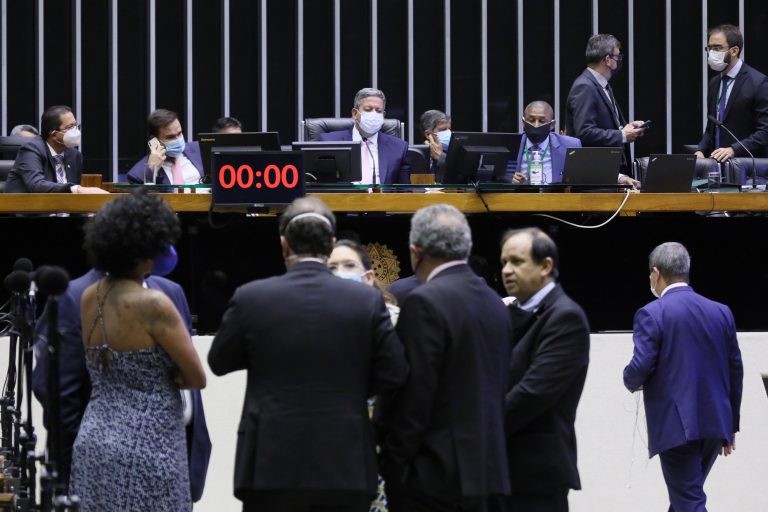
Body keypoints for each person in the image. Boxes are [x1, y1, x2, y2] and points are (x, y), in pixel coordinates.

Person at [208, 197, 408, 512]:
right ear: (330, 245)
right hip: (346, 462)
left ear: (284, 245)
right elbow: (394, 373)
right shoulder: (365, 301)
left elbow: (218, 363)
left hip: (269, 465)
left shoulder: (252, 298)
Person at [68, 190, 207, 511]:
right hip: (149, 442)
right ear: (146, 249)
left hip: (94, 439)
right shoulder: (154, 303)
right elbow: (196, 377)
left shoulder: (90, 296)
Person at [33, 265, 212, 501]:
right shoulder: (75, 295)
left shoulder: (171, 290)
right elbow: (58, 393)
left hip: (172, 452)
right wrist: (72, 467)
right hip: (106, 464)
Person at [379, 204, 512, 512]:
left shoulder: (424, 302)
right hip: (489, 472)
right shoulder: (494, 303)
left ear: (415, 252)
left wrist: (393, 464)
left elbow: (414, 399)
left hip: (434, 478)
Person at [623, 242, 743, 512]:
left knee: (689, 501)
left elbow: (640, 367)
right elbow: (736, 370)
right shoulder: (722, 312)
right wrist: (731, 425)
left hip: (677, 426)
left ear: (655, 273)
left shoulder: (652, 313)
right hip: (715, 422)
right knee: (686, 498)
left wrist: (628, 379)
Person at [492, 227, 590, 512]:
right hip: (504, 471)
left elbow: (532, 394)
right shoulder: (511, 312)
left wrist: (476, 426)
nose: (507, 271)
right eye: (504, 262)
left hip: (536, 477)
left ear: (546, 265)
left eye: (517, 261)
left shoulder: (565, 317)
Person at [566, 34, 645, 186]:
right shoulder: (585, 87)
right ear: (608, 60)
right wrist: (622, 135)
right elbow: (585, 132)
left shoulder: (602, 85)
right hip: (593, 177)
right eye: (618, 57)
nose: (620, 61)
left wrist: (626, 129)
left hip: (608, 172)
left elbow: (603, 125)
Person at [695, 24, 768, 163]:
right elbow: (711, 128)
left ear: (734, 51)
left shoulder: (759, 83)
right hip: (716, 166)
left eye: (717, 48)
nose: (711, 53)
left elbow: (765, 132)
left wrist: (734, 149)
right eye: (709, 48)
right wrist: (700, 149)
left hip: (748, 168)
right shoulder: (714, 83)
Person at [4, 105, 108, 193]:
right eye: (70, 127)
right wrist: (76, 189)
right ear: (54, 135)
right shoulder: (31, 150)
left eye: (76, 126)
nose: (75, 131)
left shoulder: (75, 155)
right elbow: (36, 185)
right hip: (33, 214)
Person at [319, 87, 411, 184]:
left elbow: (404, 191)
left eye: (378, 111)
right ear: (355, 113)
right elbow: (323, 186)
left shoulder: (399, 148)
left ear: (383, 116)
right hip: (343, 198)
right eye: (368, 109)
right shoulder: (329, 142)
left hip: (383, 198)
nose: (374, 114)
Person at [508, 101, 582, 184]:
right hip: (519, 196)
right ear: (523, 122)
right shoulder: (510, 144)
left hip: (554, 196)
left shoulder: (570, 145)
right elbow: (498, 178)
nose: (536, 125)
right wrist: (511, 181)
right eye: (531, 120)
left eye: (542, 121)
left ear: (552, 125)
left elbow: (577, 182)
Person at [328, 239, 400, 324]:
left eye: (350, 265)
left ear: (368, 278)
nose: (339, 272)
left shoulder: (391, 318)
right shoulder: (318, 314)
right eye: (332, 267)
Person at [127, 109, 204, 185]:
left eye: (179, 133)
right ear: (154, 140)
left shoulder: (200, 148)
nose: (178, 139)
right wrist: (152, 169)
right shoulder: (137, 174)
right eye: (171, 137)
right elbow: (147, 196)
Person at [419, 109, 452, 173]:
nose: (449, 133)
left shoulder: (455, 155)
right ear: (428, 134)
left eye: (449, 129)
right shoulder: (417, 156)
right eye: (443, 130)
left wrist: (441, 158)